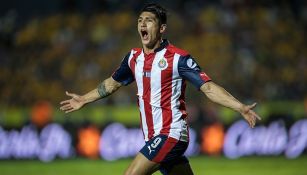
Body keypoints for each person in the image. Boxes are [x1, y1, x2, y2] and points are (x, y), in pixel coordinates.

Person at [60, 3, 261, 175]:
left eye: (149, 20)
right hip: (153, 137)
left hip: (170, 134)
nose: (142, 24)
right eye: (140, 20)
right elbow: (112, 83)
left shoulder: (178, 58)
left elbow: (207, 87)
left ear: (162, 28)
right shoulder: (133, 58)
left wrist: (239, 107)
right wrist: (84, 99)